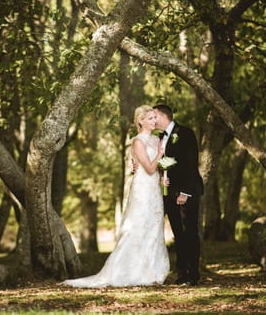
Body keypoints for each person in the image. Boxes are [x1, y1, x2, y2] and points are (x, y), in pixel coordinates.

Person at [62, 105, 169, 288]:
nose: (154, 121)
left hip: (155, 190)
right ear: (140, 121)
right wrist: (159, 155)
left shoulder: (155, 140)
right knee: (137, 228)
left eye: (154, 118)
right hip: (143, 190)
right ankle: (128, 271)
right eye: (150, 118)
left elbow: (157, 169)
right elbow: (150, 169)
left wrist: (163, 175)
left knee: (153, 229)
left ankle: (151, 271)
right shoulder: (137, 142)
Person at [153, 104, 204, 286]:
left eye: (154, 116)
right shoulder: (160, 137)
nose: (152, 120)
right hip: (170, 193)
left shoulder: (185, 133)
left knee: (190, 232)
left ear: (163, 116)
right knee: (178, 235)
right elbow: (167, 163)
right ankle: (182, 272)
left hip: (186, 192)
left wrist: (185, 192)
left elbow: (190, 163)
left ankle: (193, 274)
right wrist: (162, 176)